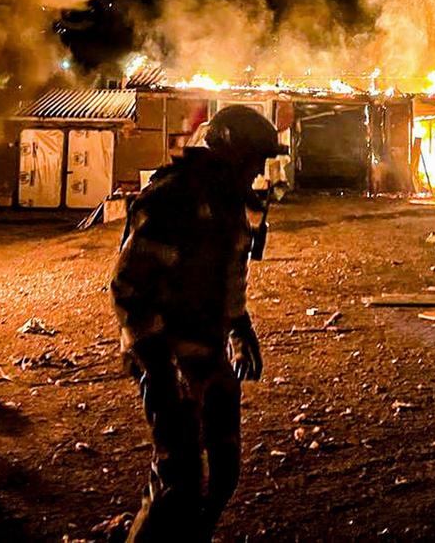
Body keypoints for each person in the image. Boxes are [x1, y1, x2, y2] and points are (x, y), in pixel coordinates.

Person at [111, 105, 287, 542]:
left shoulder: (233, 202)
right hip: (165, 351)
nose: (257, 171)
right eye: (253, 159)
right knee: (179, 476)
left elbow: (230, 273)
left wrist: (240, 329)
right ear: (228, 151)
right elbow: (128, 288)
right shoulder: (171, 198)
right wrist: (157, 364)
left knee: (224, 470)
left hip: (207, 350)